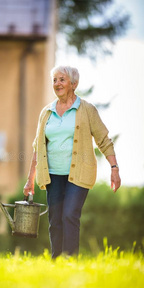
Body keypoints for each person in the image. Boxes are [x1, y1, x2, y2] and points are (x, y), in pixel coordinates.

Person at [23, 65, 121, 258]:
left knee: (69, 215)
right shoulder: (46, 113)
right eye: (54, 80)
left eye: (62, 79)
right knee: (55, 220)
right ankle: (57, 261)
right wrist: (30, 180)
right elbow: (38, 147)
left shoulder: (87, 110)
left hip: (79, 174)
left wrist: (114, 168)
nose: (57, 84)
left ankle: (69, 260)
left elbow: (103, 140)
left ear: (74, 84)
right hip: (53, 175)